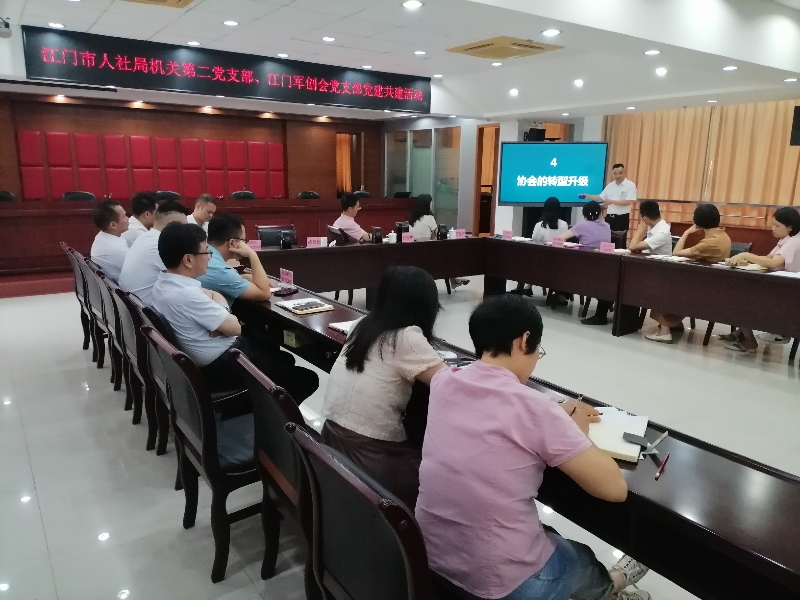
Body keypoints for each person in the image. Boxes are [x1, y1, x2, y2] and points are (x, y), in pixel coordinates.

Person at [415, 294, 650, 600]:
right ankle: (612, 587)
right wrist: (572, 430)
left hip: (430, 555)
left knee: (547, 537)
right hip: (495, 581)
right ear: (525, 340)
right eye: (538, 349)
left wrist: (557, 414)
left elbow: (495, 410)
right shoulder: (537, 409)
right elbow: (614, 489)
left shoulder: (445, 382)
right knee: (580, 559)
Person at [320, 266, 445, 509]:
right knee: (443, 479)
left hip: (331, 438)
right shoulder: (406, 337)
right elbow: (449, 385)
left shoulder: (362, 324)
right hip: (371, 456)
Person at [150, 223, 319, 402]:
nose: (209, 257)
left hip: (210, 358)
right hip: (221, 366)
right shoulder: (187, 294)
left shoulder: (163, 283)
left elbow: (216, 302)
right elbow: (234, 328)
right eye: (206, 252)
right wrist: (222, 311)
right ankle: (266, 414)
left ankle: (264, 406)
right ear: (188, 260)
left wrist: (219, 318)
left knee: (280, 356)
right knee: (307, 379)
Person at [646, 203, 732, 344]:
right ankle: (674, 324)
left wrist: (686, 232)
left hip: (703, 289)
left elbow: (676, 253)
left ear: (697, 222)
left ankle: (664, 331)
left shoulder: (710, 242)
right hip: (712, 283)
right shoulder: (723, 235)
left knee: (661, 287)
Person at [720, 207, 800, 352]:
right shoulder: (786, 239)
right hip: (778, 288)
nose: (773, 228)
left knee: (739, 300)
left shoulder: (795, 241)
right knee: (738, 295)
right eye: (772, 224)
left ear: (790, 227)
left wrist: (746, 255)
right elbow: (768, 258)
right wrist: (745, 261)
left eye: (777, 226)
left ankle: (749, 341)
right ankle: (740, 334)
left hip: (788, 294)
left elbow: (773, 263)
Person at [118, 200, 190, 305]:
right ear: (172, 223)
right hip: (145, 309)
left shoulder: (144, 236)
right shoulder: (160, 244)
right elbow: (185, 280)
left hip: (132, 304)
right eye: (184, 227)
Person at [197, 213, 274, 305]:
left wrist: (243, 277)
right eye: (243, 241)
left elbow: (220, 280)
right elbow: (264, 293)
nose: (245, 245)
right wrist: (252, 254)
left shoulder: (204, 256)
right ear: (232, 243)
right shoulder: (220, 270)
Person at [409, 194, 469, 289]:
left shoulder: (412, 219)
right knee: (448, 253)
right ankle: (454, 279)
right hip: (427, 253)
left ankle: (454, 280)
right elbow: (438, 235)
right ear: (427, 204)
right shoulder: (429, 218)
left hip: (413, 253)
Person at [518, 196, 569, 301]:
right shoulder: (564, 224)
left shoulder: (539, 225)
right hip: (559, 263)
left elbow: (534, 241)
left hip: (540, 263)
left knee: (527, 260)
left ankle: (525, 287)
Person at [585, 163, 637, 248]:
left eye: (620, 173)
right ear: (612, 173)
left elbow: (627, 202)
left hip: (622, 218)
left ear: (624, 172)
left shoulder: (630, 185)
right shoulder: (610, 185)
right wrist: (589, 196)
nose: (617, 176)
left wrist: (611, 202)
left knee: (620, 241)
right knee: (608, 240)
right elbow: (601, 197)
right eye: (615, 173)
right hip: (609, 217)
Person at [90, 199, 129, 281]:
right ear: (113, 225)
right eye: (124, 216)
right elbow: (138, 272)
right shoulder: (116, 248)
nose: (128, 219)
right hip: (121, 287)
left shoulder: (101, 236)